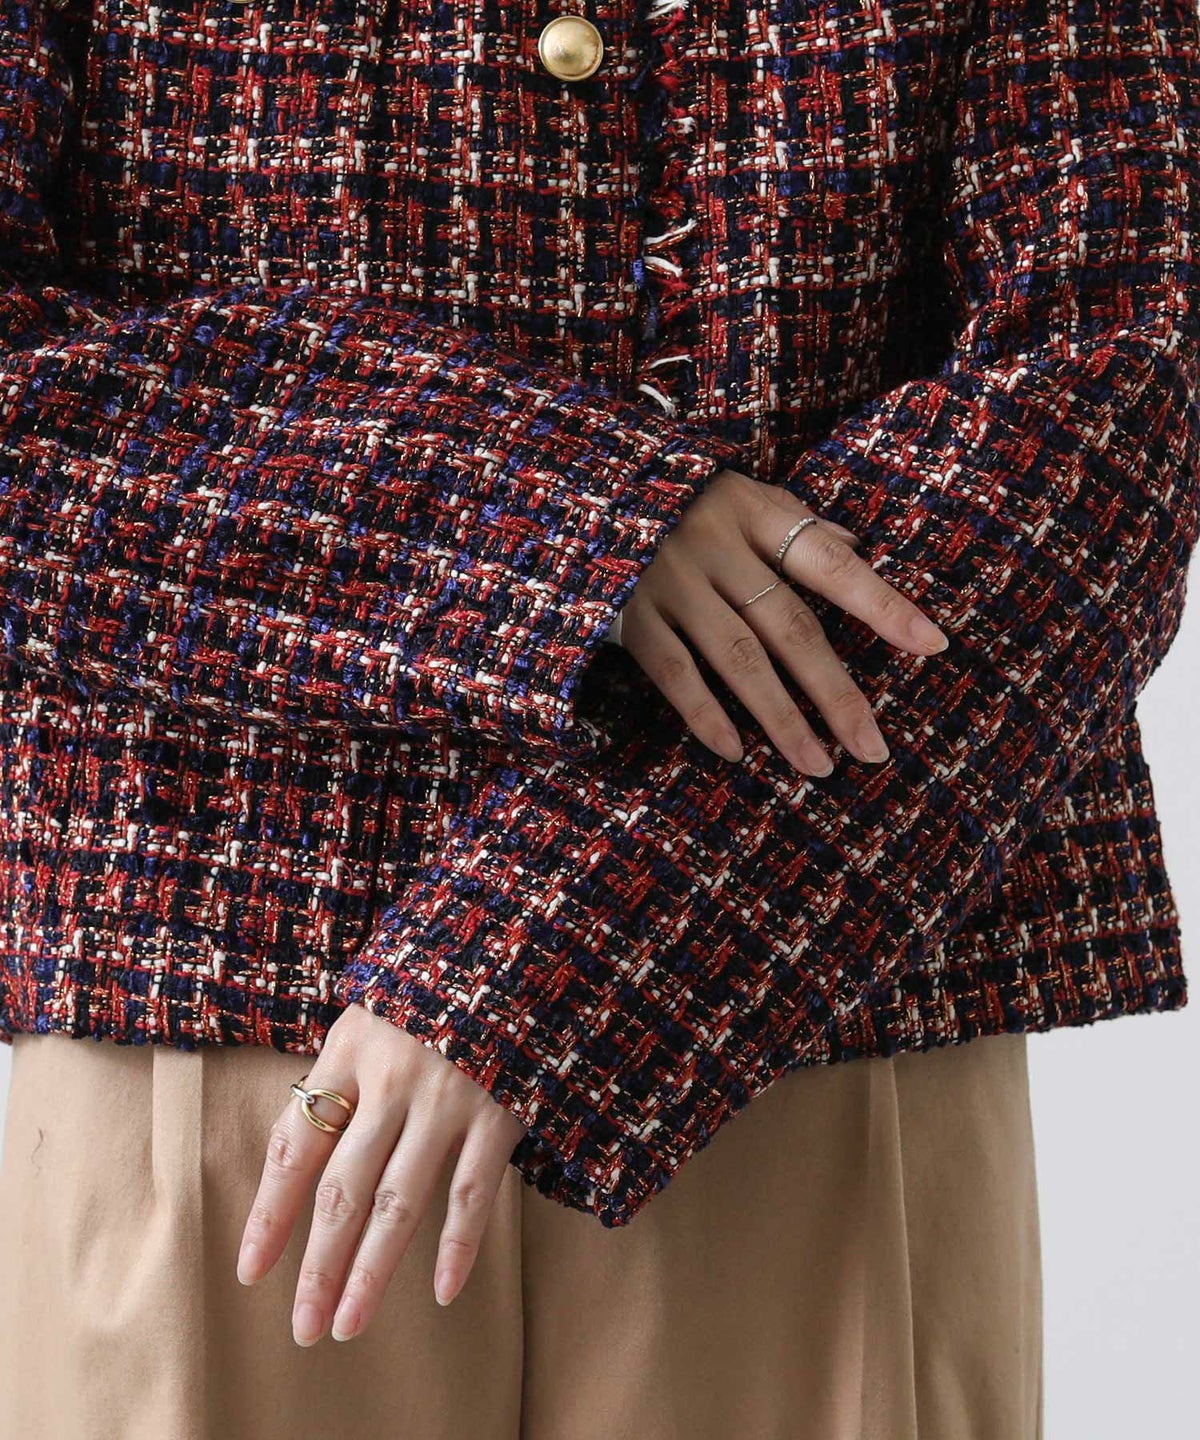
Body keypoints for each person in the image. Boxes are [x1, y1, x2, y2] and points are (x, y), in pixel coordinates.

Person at [0, 0, 1195, 1433]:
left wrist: (553, 945)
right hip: (208, 999)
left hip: (811, 979)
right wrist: (568, 524)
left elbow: (1123, 381)